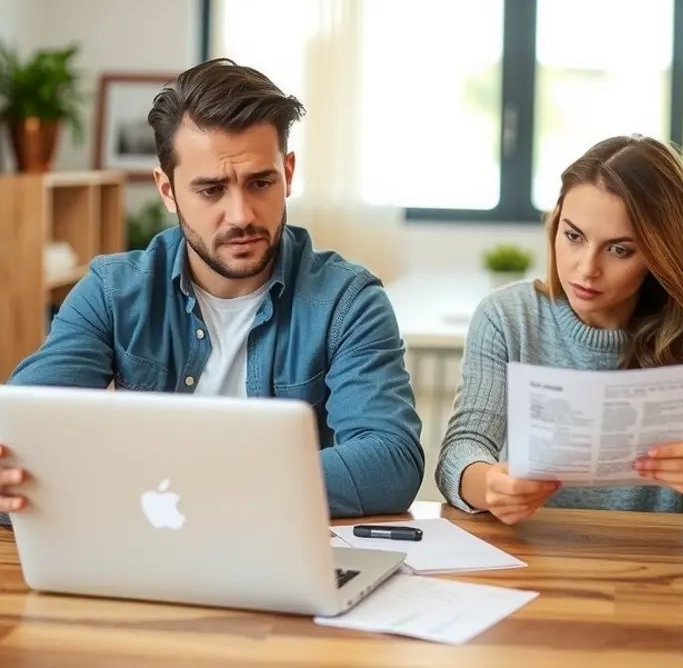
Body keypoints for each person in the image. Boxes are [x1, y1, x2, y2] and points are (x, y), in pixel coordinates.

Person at [1, 58, 424, 520]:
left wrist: (190, 486)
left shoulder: (347, 302)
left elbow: (390, 464)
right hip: (143, 553)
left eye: (261, 182)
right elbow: (21, 446)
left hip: (282, 562)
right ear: (167, 190)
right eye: (211, 190)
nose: (241, 214)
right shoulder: (111, 292)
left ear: (288, 172)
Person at [435, 135, 683, 537]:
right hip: (533, 555)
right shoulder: (506, 317)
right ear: (556, 223)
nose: (586, 268)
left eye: (620, 250)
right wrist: (489, 486)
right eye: (573, 236)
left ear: (660, 254)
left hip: (657, 565)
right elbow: (461, 450)